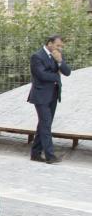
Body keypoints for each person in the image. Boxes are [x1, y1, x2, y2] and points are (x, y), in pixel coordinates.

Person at [27, 35, 70, 164]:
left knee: (44, 124)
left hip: (53, 95)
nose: (59, 48)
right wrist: (56, 76)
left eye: (61, 46)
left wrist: (60, 62)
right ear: (49, 43)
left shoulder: (57, 55)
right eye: (58, 45)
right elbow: (41, 75)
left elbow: (67, 72)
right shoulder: (37, 56)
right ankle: (50, 156)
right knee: (46, 124)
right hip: (40, 96)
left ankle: (35, 153)